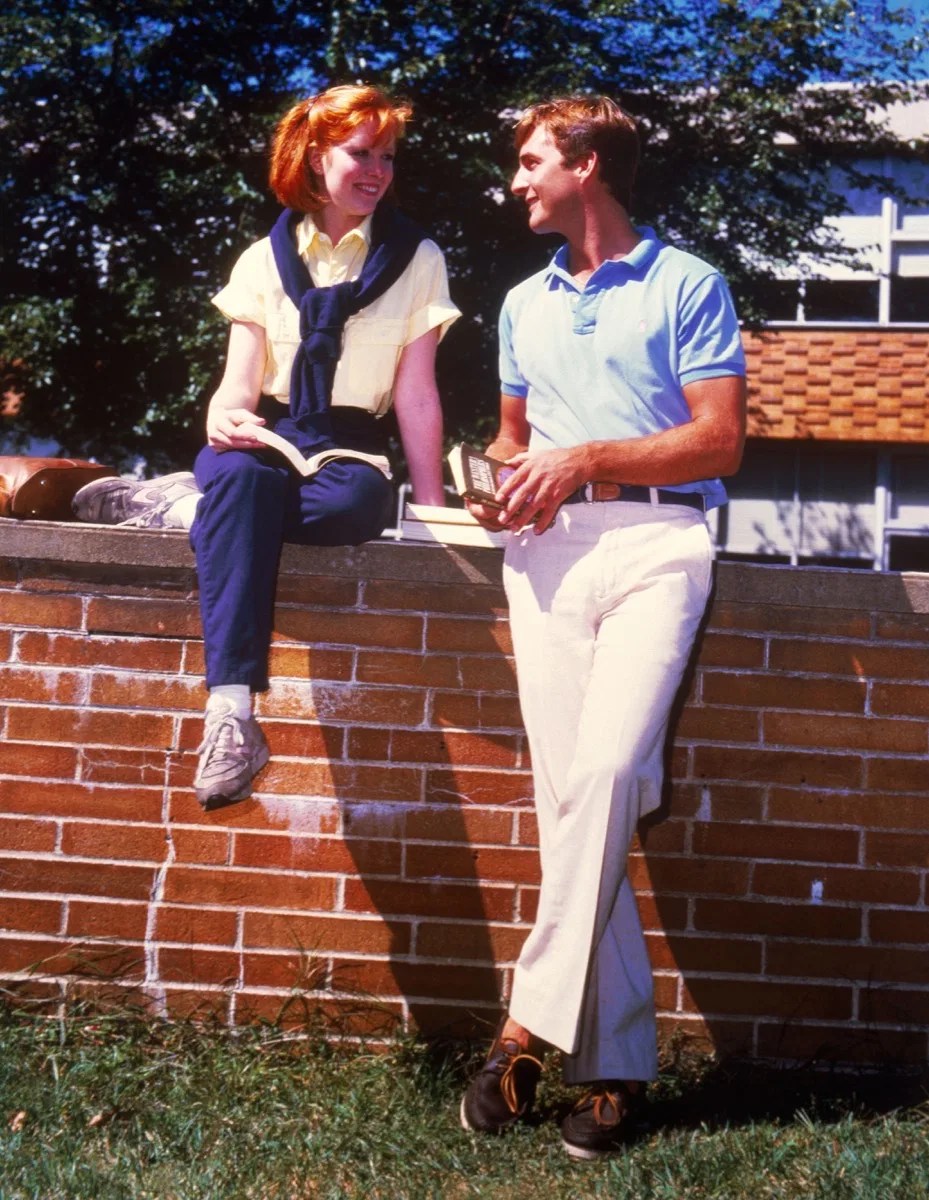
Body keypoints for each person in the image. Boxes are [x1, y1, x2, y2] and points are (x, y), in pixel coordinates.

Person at [458, 96, 746, 1160]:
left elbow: (718, 442)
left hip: (658, 545)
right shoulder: (520, 302)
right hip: (544, 559)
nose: (515, 181)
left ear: (584, 165)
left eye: (531, 160)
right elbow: (512, 437)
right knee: (577, 803)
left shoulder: (686, 284)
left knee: (613, 772)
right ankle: (616, 1072)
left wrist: (585, 459)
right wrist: (496, 486)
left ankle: (522, 1027)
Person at [77, 84, 458, 808]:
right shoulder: (261, 259)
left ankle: (187, 511)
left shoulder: (418, 258)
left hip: (348, 443)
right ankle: (231, 714)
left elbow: (416, 393)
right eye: (360, 153)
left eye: (387, 156)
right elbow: (235, 389)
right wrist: (223, 419)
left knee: (353, 509)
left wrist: (433, 509)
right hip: (265, 433)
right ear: (316, 157)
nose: (377, 170)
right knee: (245, 481)